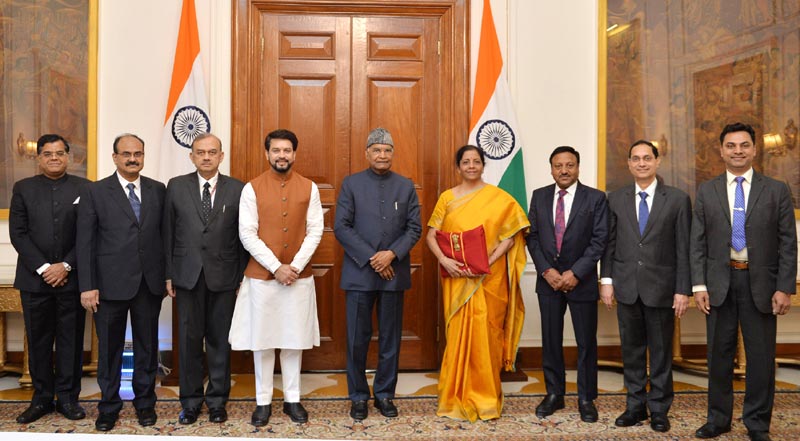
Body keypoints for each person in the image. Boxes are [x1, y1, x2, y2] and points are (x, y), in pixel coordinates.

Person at [691, 122, 796, 441]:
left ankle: (757, 422)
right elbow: (697, 242)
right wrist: (699, 285)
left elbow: (788, 242)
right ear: (722, 151)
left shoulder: (776, 189)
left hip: (761, 284)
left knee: (761, 358)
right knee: (718, 356)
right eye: (731, 146)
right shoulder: (706, 190)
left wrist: (784, 287)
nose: (738, 151)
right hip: (718, 284)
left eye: (744, 145)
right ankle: (718, 419)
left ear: (754, 149)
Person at [426, 145, 529, 422]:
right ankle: (453, 397)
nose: (471, 166)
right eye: (466, 162)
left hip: (490, 279)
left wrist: (488, 261)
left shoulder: (499, 198)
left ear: (483, 165)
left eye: (476, 161)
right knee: (458, 335)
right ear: (458, 167)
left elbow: (511, 237)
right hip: (457, 277)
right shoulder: (447, 198)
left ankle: (486, 399)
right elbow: (432, 235)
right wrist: (444, 261)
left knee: (487, 336)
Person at [228, 128, 323, 427]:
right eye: (276, 150)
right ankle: (263, 401)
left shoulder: (310, 187)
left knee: (294, 341)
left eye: (287, 150)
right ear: (267, 153)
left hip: (298, 278)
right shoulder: (251, 188)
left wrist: (293, 266)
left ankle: (293, 399)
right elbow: (247, 233)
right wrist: (275, 267)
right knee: (264, 341)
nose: (282, 155)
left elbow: (316, 230)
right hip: (262, 279)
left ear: (294, 154)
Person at [599, 140, 691, 433]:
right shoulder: (615, 199)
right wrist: (607, 280)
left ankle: (660, 409)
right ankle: (635, 406)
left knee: (661, 353)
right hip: (626, 286)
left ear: (657, 161)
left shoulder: (677, 199)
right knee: (632, 351)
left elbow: (684, 248)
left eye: (647, 158)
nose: (642, 163)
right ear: (629, 164)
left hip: (662, 289)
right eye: (636, 159)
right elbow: (609, 244)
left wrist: (682, 289)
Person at [76, 133, 166, 431]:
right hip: (108, 286)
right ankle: (109, 407)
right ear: (114, 157)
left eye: (138, 154)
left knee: (147, 348)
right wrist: (87, 285)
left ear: (143, 156)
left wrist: (167, 275)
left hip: (148, 285)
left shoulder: (158, 190)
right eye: (126, 154)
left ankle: (145, 404)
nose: (132, 159)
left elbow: (164, 236)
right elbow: (85, 242)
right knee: (109, 350)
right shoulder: (95, 191)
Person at [334, 128, 422, 420]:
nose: (382, 155)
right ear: (367, 153)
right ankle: (358, 396)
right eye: (377, 150)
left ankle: (385, 394)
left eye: (387, 150)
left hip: (393, 274)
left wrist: (391, 255)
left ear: (392, 153)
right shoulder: (351, 184)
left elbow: (415, 228)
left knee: (390, 339)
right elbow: (341, 226)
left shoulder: (405, 186)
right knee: (356, 339)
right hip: (360, 274)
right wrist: (375, 258)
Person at [162, 133, 247, 425]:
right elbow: (167, 233)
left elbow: (243, 236)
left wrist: (241, 276)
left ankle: (217, 402)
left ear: (221, 156)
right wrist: (168, 274)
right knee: (188, 341)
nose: (207, 157)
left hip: (224, 276)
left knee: (219, 341)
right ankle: (190, 402)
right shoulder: (176, 186)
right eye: (201, 152)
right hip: (186, 276)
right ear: (192, 156)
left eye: (212, 152)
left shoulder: (238, 189)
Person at [9, 134, 89, 424]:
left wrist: (65, 265)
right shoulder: (23, 188)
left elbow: (88, 234)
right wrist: (45, 268)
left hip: (73, 279)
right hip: (34, 281)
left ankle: (67, 398)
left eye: (59, 153)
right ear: (38, 158)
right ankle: (42, 398)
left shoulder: (85, 188)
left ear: (68, 156)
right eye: (47, 153)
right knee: (38, 341)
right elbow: (18, 233)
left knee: (71, 341)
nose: (54, 158)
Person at [526, 146, 608, 423]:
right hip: (548, 281)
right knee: (551, 340)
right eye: (558, 165)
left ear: (578, 167)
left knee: (586, 342)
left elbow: (599, 240)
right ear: (551, 169)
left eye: (569, 165)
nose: (564, 170)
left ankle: (586, 398)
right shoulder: (539, 196)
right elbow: (532, 237)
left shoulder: (595, 198)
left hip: (581, 281)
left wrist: (576, 272)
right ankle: (554, 394)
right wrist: (546, 270)